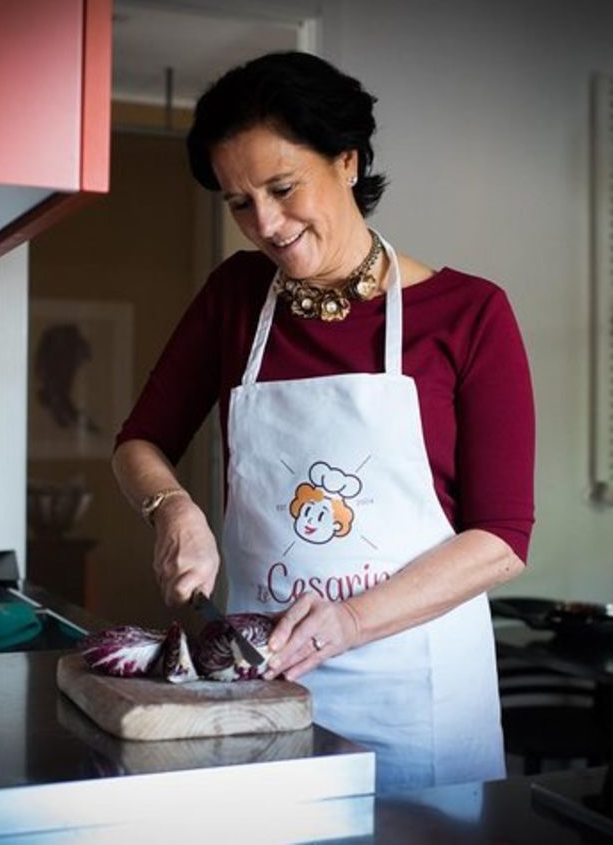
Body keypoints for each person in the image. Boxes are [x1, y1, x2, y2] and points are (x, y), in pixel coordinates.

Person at [112, 51, 535, 792]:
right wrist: (171, 507)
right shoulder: (235, 297)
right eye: (239, 203)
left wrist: (353, 620)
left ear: (347, 160)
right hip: (260, 686)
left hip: (419, 697)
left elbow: (502, 540)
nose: (265, 225)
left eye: (282, 189)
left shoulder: (469, 313)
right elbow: (138, 442)